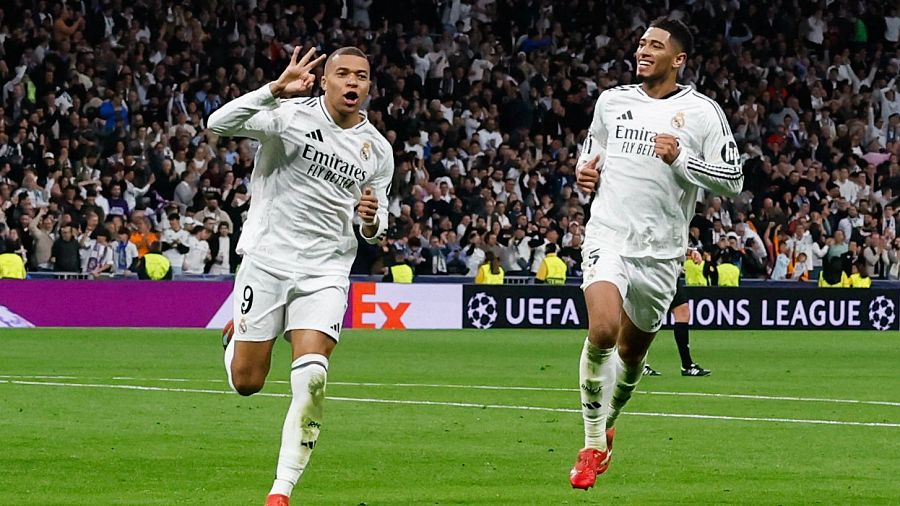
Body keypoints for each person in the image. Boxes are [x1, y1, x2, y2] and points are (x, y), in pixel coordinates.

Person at [209, 46, 392, 506]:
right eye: (344, 74)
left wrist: (370, 219)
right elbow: (218, 124)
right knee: (248, 382)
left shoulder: (378, 151)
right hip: (267, 260)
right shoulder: (286, 115)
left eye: (362, 77)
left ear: (369, 87)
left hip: (326, 270)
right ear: (325, 80)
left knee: (312, 376)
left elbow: (377, 225)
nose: (353, 83)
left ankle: (281, 490)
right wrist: (272, 89)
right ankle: (235, 341)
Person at [570, 17, 743, 490]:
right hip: (609, 236)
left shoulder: (702, 113)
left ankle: (609, 423)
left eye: (655, 45)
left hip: (663, 254)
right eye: (642, 43)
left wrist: (681, 159)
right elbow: (592, 153)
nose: (643, 51)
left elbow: (733, 180)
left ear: (678, 59)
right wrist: (584, 173)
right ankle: (590, 444)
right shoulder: (612, 101)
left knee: (629, 359)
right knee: (603, 329)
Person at [643, 249, 711, 377]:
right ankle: (638, 362)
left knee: (683, 311)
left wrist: (690, 251)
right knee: (647, 315)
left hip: (670, 273)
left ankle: (687, 365)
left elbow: (672, 241)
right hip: (652, 271)